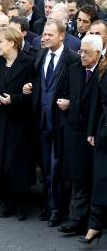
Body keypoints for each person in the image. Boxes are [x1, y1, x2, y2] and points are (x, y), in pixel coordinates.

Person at [23, 19, 79, 227]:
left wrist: (71, 103)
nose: (44, 38)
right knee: (46, 168)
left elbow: (79, 89)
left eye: (49, 35)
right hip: (42, 121)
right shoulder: (40, 55)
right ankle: (49, 205)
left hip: (61, 123)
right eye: (43, 34)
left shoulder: (72, 59)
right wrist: (31, 87)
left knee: (57, 168)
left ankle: (57, 209)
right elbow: (40, 84)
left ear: (62, 36)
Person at [0, 27, 34, 221]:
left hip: (19, 121)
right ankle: (7, 200)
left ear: (12, 43)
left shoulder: (28, 62)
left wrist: (14, 99)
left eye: (1, 42)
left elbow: (33, 93)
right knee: (1, 161)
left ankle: (21, 202)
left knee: (17, 162)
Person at [57, 34, 102, 235]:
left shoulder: (103, 73)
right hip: (75, 132)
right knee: (77, 177)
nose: (82, 55)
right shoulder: (74, 69)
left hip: (96, 134)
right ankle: (76, 218)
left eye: (87, 52)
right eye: (81, 51)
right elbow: (64, 91)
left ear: (99, 54)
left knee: (95, 179)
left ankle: (95, 221)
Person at [78, 48, 107, 244]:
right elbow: (97, 100)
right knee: (101, 178)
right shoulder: (103, 67)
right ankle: (95, 225)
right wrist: (91, 131)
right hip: (104, 130)